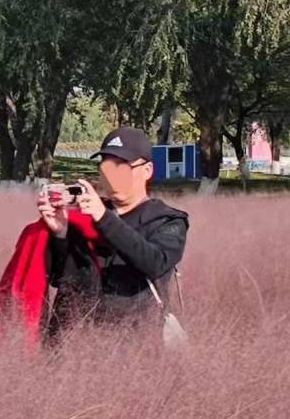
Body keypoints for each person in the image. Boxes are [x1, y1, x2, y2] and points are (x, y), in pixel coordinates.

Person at [39, 127, 189, 336]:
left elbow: (156, 263)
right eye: (107, 167)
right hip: (74, 344)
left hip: (134, 348)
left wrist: (104, 218)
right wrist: (60, 234)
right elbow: (58, 279)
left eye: (121, 167)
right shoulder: (83, 215)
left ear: (147, 170)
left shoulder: (167, 220)